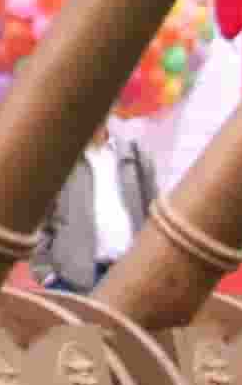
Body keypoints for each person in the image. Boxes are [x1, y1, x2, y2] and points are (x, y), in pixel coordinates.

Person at [30, 120, 158, 297]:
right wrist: (47, 276)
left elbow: (154, 215)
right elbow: (37, 223)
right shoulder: (57, 162)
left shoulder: (135, 156)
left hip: (130, 277)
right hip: (72, 283)